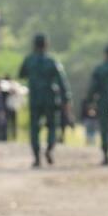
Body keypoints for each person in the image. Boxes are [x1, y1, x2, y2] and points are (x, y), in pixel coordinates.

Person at [17, 32, 70, 167]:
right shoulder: (52, 61)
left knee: (34, 128)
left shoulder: (29, 60)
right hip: (50, 98)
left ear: (34, 45)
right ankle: (49, 150)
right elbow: (62, 82)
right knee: (52, 126)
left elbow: (21, 74)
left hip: (35, 98)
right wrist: (66, 99)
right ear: (46, 45)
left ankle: (36, 157)